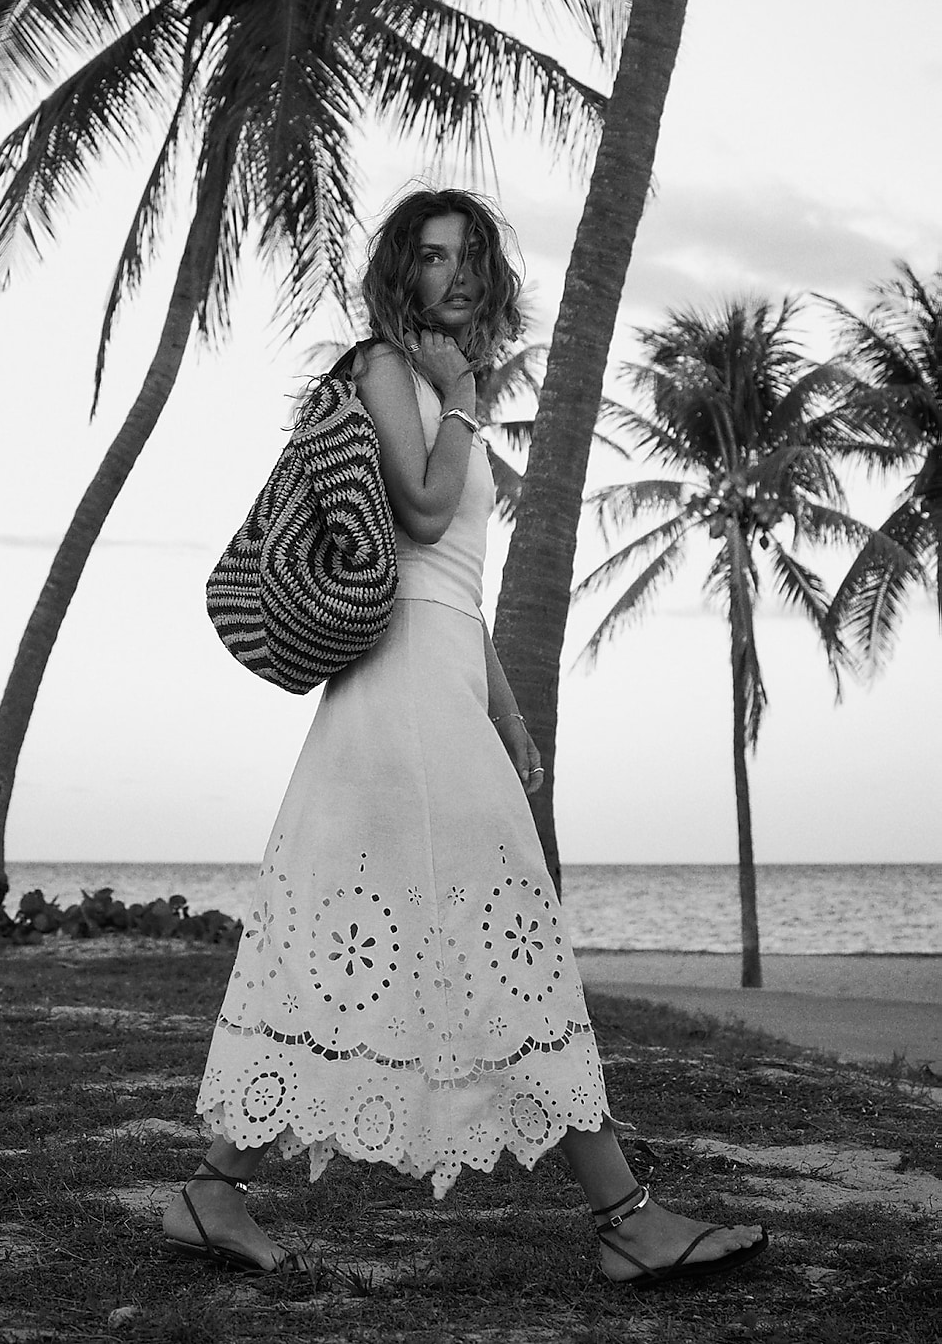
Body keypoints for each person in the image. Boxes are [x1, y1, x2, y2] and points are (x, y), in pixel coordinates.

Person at [163, 189, 768, 1288]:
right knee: (507, 936)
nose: (456, 273)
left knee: (377, 949)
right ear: (403, 270)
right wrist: (470, 404)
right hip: (397, 702)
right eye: (433, 255)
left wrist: (510, 714)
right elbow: (429, 510)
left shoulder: (441, 382)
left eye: (471, 256)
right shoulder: (391, 369)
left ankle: (214, 1186)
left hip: (438, 695)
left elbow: (458, 589)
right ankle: (626, 1214)